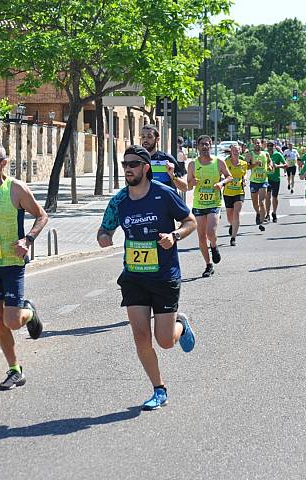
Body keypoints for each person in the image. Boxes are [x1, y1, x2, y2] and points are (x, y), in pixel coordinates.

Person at [97, 145, 197, 411]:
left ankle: (181, 325)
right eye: (124, 164)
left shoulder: (164, 194)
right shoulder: (119, 201)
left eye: (133, 164)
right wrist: (104, 238)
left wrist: (174, 236)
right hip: (134, 277)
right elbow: (103, 230)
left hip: (164, 276)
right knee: (141, 337)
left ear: (146, 167)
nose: (128, 169)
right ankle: (159, 389)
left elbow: (190, 221)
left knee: (164, 341)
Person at [0, 143, 48, 390]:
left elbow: (42, 215)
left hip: (13, 263)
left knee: (12, 322)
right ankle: (15, 369)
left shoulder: (15, 189)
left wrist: (28, 239)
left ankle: (30, 313)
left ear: (3, 163)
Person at [187, 135, 232, 277]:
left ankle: (214, 246)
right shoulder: (193, 164)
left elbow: (229, 176)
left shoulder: (218, 162)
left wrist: (221, 183)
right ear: (198, 147)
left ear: (211, 146)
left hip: (214, 202)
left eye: (207, 144)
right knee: (201, 237)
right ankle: (208, 265)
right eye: (202, 144)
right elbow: (188, 185)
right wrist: (191, 183)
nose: (205, 147)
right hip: (199, 203)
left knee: (210, 232)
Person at [141, 124, 187, 192]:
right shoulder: (138, 159)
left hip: (165, 201)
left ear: (157, 139)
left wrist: (172, 175)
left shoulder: (167, 159)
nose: (145, 140)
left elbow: (184, 188)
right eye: (143, 137)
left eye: (149, 137)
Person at [245, 138, 272, 232]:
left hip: (263, 181)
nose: (257, 144)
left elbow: (269, 162)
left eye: (258, 143)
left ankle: (261, 222)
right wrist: (255, 164)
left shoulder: (265, 154)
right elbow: (246, 167)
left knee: (261, 202)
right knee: (255, 203)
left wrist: (270, 166)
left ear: (261, 144)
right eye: (255, 143)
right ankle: (258, 213)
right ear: (253, 144)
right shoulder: (250, 154)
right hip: (253, 181)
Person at [223, 144, 248, 246]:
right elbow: (222, 173)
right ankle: (232, 224)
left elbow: (244, 173)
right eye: (233, 150)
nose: (235, 152)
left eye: (237, 150)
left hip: (239, 191)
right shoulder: (225, 162)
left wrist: (245, 179)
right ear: (231, 151)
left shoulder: (243, 163)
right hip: (228, 192)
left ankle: (233, 238)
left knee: (236, 213)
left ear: (240, 151)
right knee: (230, 216)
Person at [265, 140, 287, 223]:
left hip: (276, 179)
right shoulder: (265, 154)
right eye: (268, 146)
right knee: (267, 197)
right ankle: (267, 214)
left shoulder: (278, 154)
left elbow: (286, 165)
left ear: (274, 146)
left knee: (274, 197)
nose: (270, 147)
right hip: (266, 179)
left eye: (271, 146)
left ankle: (274, 213)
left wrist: (278, 166)